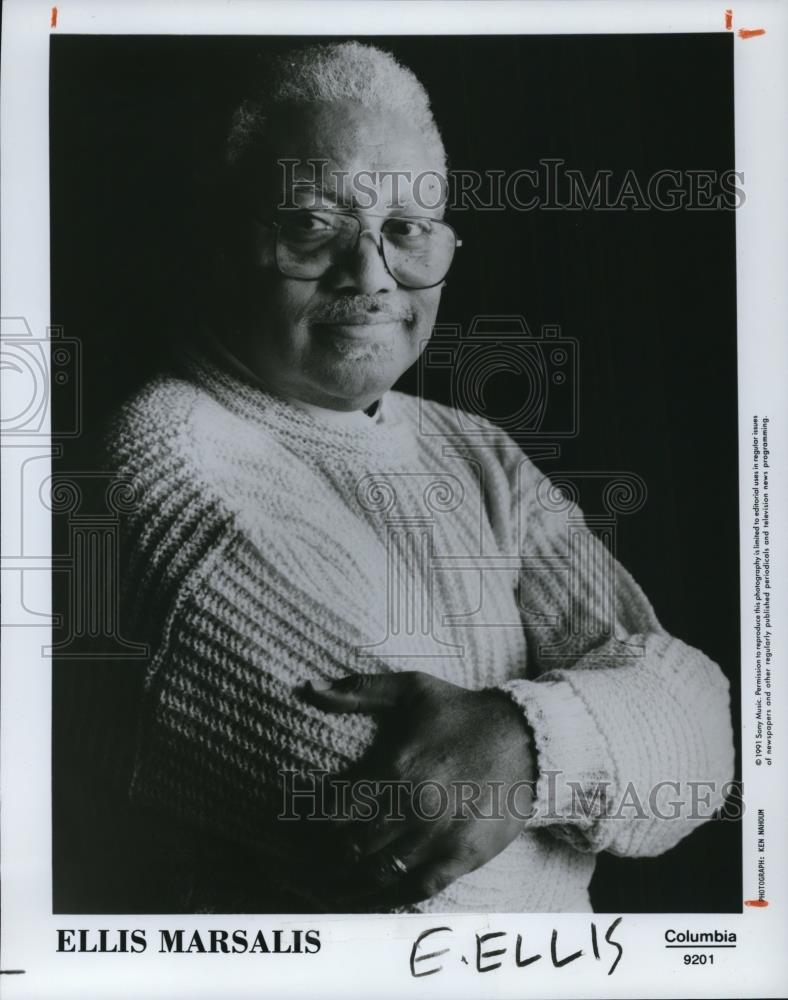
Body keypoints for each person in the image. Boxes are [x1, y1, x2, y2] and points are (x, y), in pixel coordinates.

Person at [96, 41, 734, 913]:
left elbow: (705, 737)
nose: (371, 276)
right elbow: (436, 856)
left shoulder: (474, 449)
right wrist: (593, 742)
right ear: (218, 241)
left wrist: (521, 742)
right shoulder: (170, 457)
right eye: (312, 225)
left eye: (405, 230)